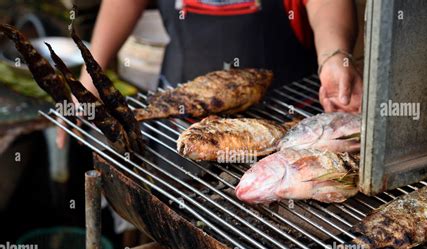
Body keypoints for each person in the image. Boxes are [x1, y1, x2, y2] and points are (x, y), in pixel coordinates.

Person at [57, 0, 362, 147]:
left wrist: (334, 56)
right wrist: (91, 77)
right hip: (175, 123)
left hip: (287, 130)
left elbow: (327, 5)